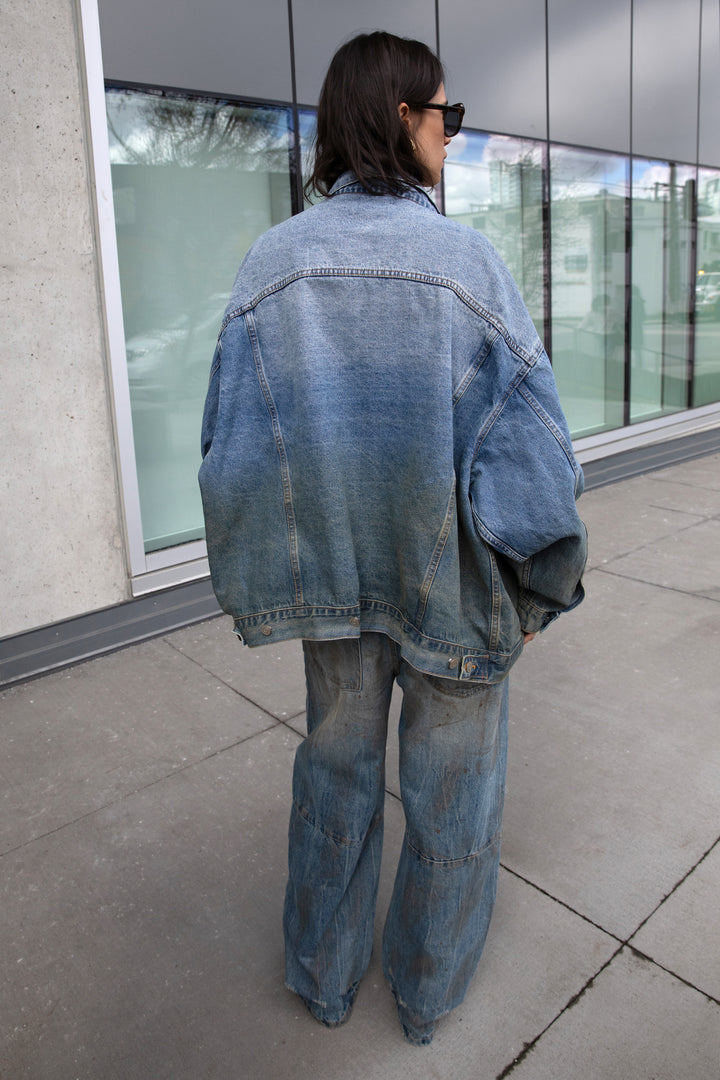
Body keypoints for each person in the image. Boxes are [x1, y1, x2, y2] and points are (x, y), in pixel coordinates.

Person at [199, 30, 587, 1046]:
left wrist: (269, 578)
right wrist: (540, 586)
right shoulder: (468, 267)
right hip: (455, 590)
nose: (453, 140)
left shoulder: (268, 265)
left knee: (335, 775)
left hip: (331, 589)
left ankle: (323, 975)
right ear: (402, 118)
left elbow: (228, 452)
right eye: (446, 118)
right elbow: (532, 459)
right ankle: (425, 998)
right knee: (453, 805)